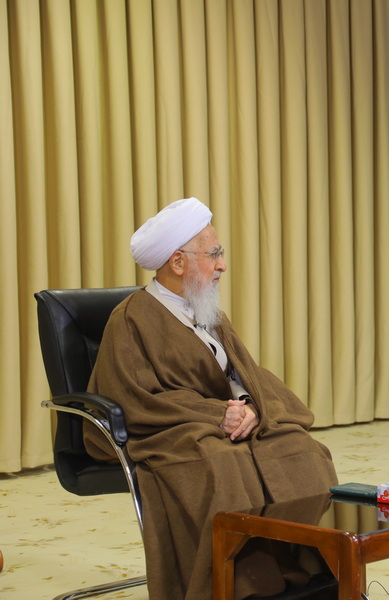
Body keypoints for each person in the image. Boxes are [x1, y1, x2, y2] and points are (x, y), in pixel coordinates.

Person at [86, 198, 339, 600]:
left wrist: (255, 408)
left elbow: (247, 372)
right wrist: (215, 414)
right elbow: (132, 396)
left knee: (302, 451)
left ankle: (304, 578)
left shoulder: (208, 311)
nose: (222, 265)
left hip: (231, 421)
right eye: (214, 254)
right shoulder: (130, 318)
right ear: (178, 262)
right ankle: (233, 588)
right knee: (220, 467)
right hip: (173, 429)